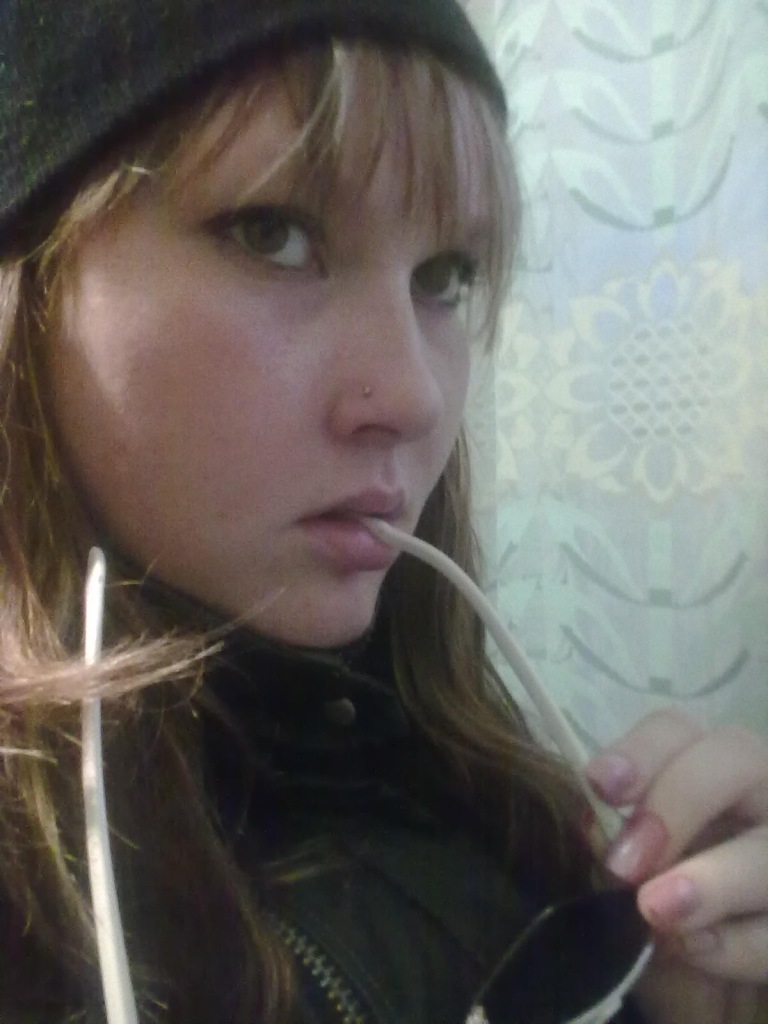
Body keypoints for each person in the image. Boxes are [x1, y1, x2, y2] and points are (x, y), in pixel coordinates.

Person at [0, 1, 766, 1021]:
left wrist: (677, 998)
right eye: (273, 234)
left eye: (446, 276)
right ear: (32, 286)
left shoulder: (514, 809)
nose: (414, 395)